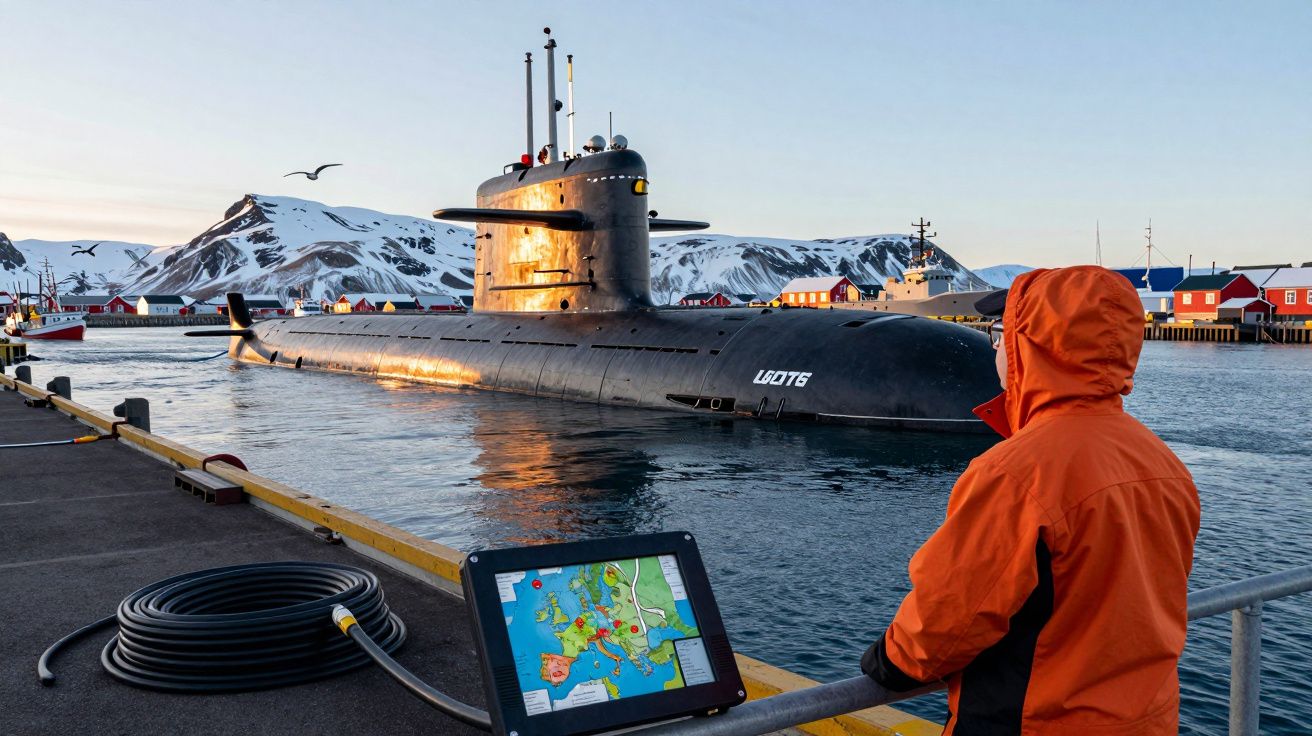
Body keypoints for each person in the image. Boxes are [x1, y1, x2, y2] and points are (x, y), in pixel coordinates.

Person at [861, 266, 1201, 735]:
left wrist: (889, 661)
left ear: (1030, 345)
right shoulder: (1161, 461)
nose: (995, 345)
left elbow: (952, 614)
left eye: (1001, 332)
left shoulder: (1016, 471)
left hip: (1040, 723)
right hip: (1144, 719)